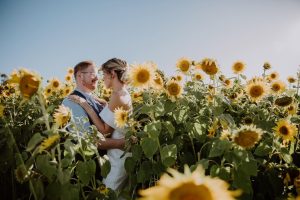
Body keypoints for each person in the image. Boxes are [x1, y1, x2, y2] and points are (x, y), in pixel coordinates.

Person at [68, 58, 132, 192]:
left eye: (103, 74)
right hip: (119, 155)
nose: (100, 78)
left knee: (109, 193)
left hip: (117, 155)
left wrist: (85, 104)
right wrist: (99, 101)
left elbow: (104, 131)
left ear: (112, 74)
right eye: (94, 73)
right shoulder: (122, 93)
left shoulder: (117, 96)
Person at [62, 60, 125, 149]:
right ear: (80, 76)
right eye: (93, 74)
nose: (97, 78)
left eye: (98, 74)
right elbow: (87, 140)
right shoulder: (72, 101)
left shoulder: (97, 100)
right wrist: (121, 143)